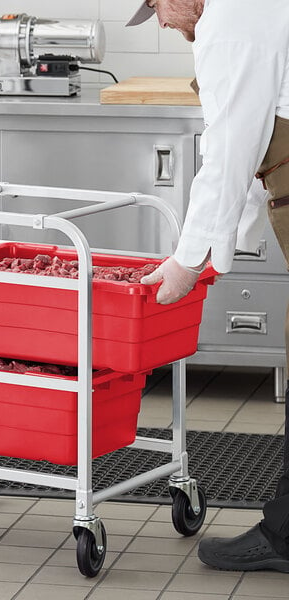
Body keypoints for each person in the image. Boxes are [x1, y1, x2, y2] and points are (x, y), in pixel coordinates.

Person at [127, 0, 289, 572]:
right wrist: (215, 253)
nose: (165, 24)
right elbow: (254, 154)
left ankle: (285, 538)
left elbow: (229, 151)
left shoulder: (229, 22)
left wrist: (187, 261)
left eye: (158, 8)